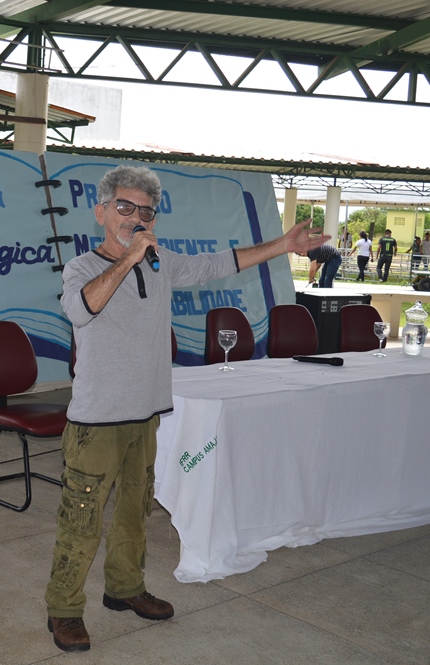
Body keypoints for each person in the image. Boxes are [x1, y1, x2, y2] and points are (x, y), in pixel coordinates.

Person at [45, 165, 329, 653]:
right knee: (82, 519)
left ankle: (125, 588)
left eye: (145, 211)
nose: (136, 217)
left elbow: (220, 263)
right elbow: (81, 309)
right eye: (125, 207)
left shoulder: (163, 264)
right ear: (101, 212)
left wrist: (282, 245)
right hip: (96, 423)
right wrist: (130, 259)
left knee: (136, 512)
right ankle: (65, 609)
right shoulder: (83, 268)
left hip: (147, 414)